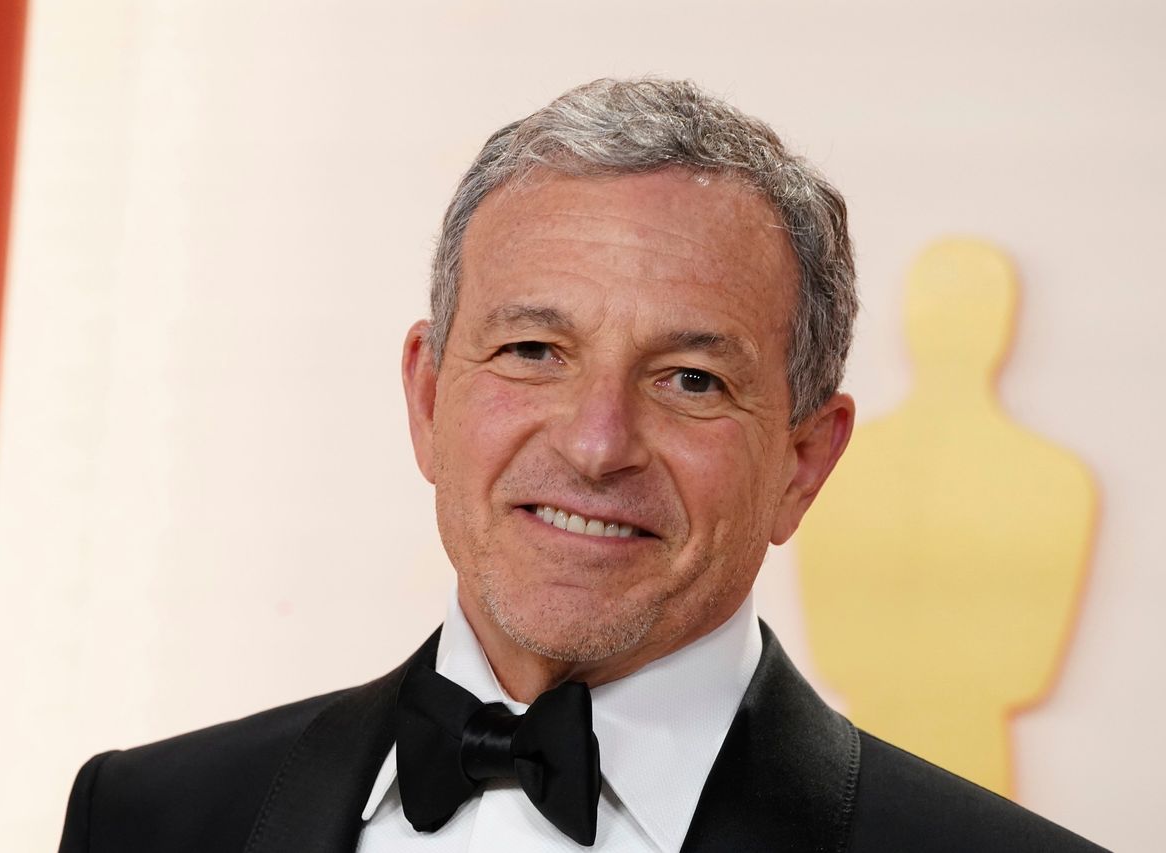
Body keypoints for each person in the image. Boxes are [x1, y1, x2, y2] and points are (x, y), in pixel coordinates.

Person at [58, 78, 1105, 852]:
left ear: (802, 463)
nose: (596, 443)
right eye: (532, 351)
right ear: (428, 398)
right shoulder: (146, 818)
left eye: (690, 379)